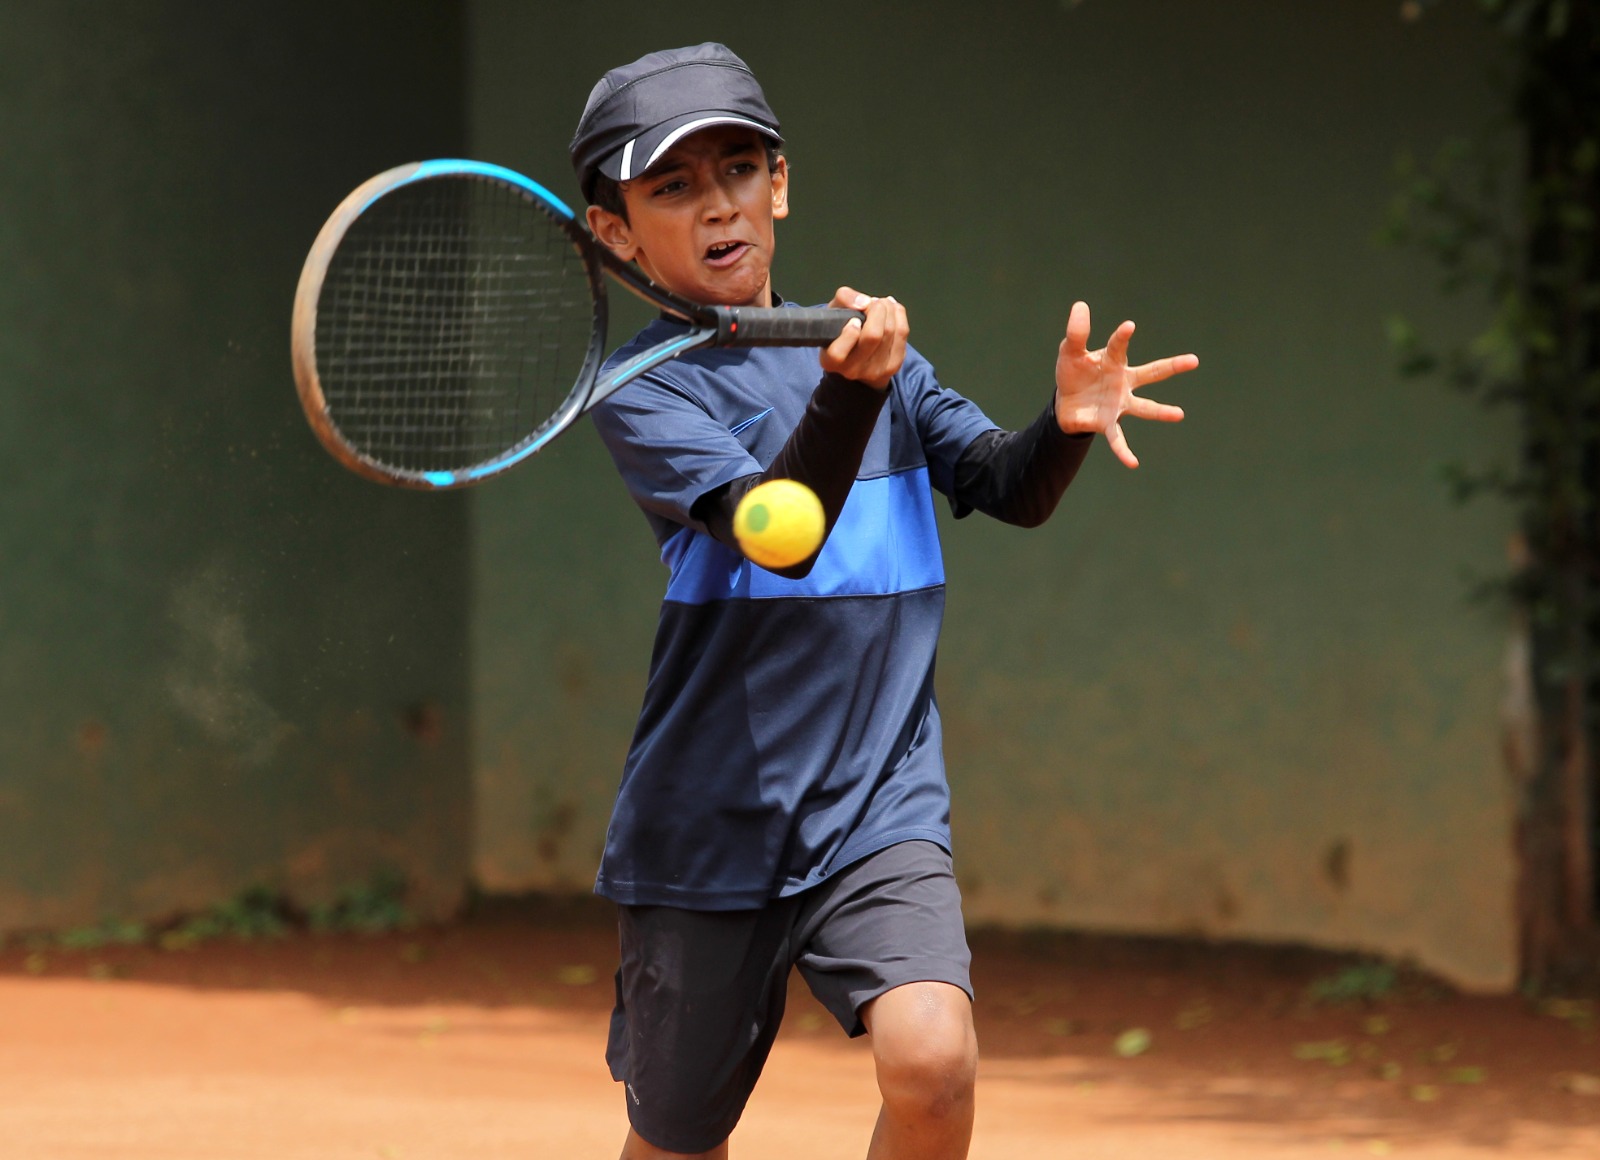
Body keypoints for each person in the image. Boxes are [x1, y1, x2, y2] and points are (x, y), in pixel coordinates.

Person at [568, 42, 1197, 1160]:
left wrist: (1060, 426)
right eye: (672, 187)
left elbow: (1006, 491)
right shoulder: (643, 391)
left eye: (740, 170)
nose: (718, 206)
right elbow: (781, 532)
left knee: (933, 1061)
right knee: (677, 1140)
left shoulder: (879, 361)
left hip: (876, 805)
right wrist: (848, 396)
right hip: (709, 827)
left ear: (783, 185)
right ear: (616, 231)